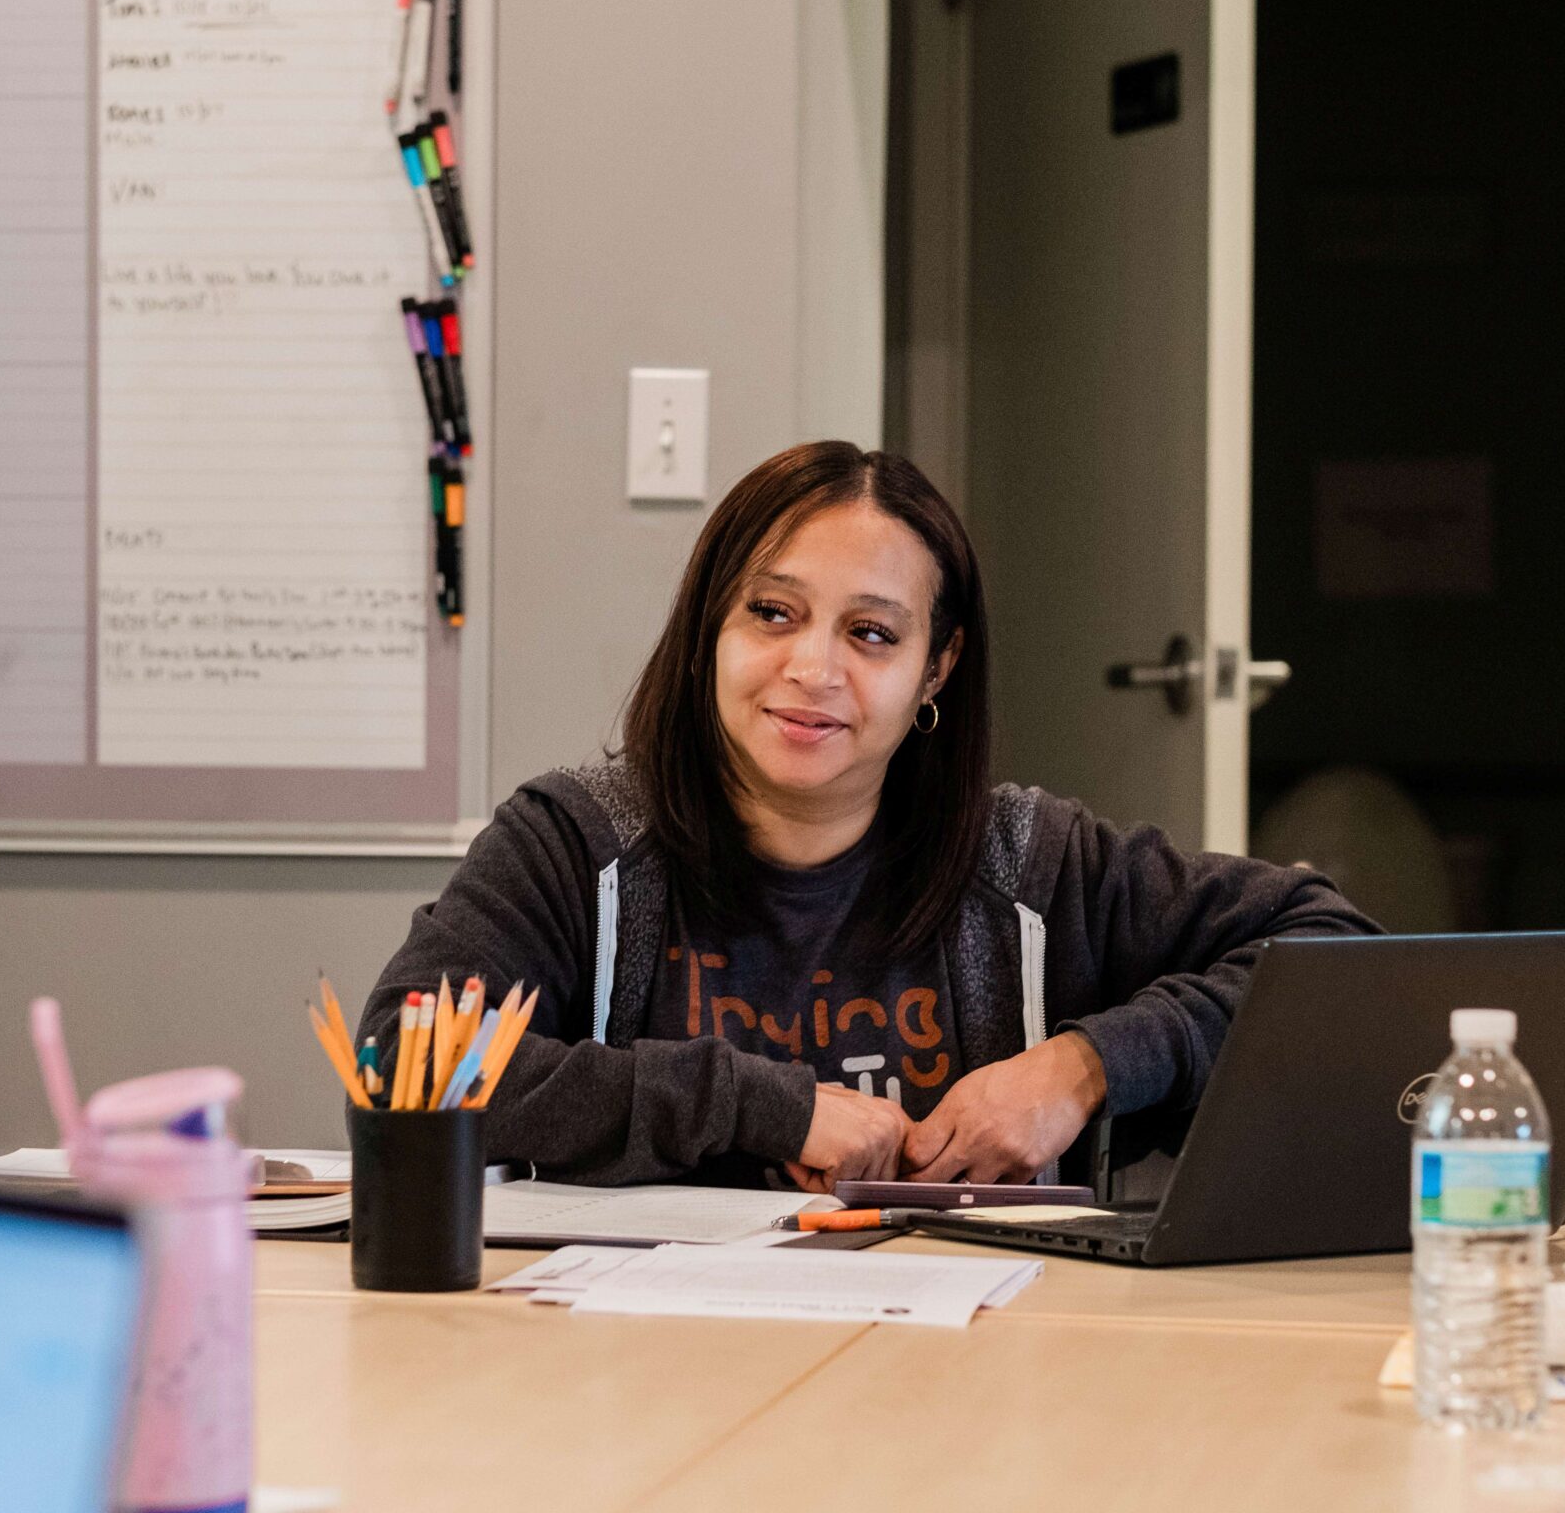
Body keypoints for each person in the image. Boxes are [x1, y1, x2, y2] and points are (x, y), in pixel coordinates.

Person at [361, 441, 1377, 1189]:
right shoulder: (575, 842)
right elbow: (402, 1062)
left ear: (935, 666)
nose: (812, 668)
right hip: (632, 1369)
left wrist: (1086, 1067)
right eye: (772, 613)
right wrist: (767, 1106)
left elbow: (1335, 953)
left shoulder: (1029, 863)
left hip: (978, 1373)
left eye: (871, 634)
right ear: (708, 626)